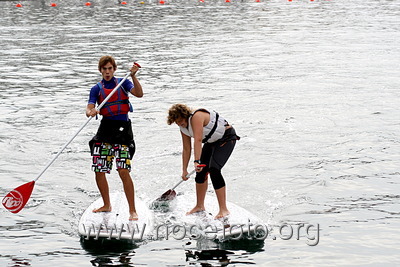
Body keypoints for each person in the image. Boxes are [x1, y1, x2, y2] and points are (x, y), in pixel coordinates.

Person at [86, 55, 143, 221]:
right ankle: (106, 204)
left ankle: (133, 210)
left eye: (110, 68)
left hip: (123, 132)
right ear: (100, 71)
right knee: (99, 170)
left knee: (123, 170)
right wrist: (91, 111)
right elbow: (89, 108)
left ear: (114, 69)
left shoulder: (123, 82)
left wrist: (133, 75)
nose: (107, 72)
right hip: (105, 131)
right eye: (104, 69)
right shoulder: (96, 89)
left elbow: (139, 94)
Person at [167, 104, 240, 221]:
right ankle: (199, 206)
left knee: (214, 169)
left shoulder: (197, 116)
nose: (180, 124)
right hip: (211, 142)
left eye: (180, 121)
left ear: (185, 115)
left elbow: (198, 140)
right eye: (177, 123)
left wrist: (197, 161)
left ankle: (223, 209)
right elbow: (186, 148)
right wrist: (184, 169)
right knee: (200, 173)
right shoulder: (183, 128)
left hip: (226, 138)